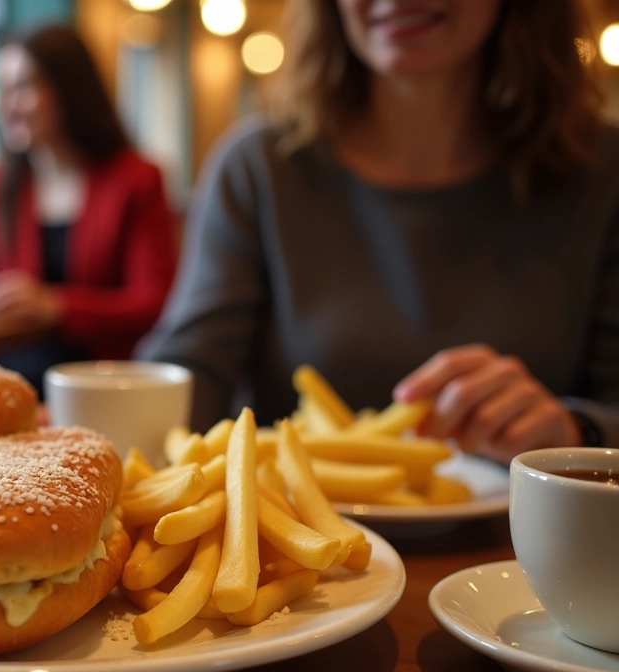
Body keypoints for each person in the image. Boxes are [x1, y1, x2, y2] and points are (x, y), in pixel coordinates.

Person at [136, 0, 619, 463]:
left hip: (529, 546)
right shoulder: (257, 169)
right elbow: (189, 372)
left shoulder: (604, 173)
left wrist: (577, 431)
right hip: (299, 544)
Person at [0, 23, 179, 392]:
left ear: (70, 91)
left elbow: (155, 304)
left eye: (23, 87)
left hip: (103, 381)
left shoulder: (137, 179)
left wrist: (58, 306)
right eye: (2, 89)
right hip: (9, 374)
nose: (6, 105)